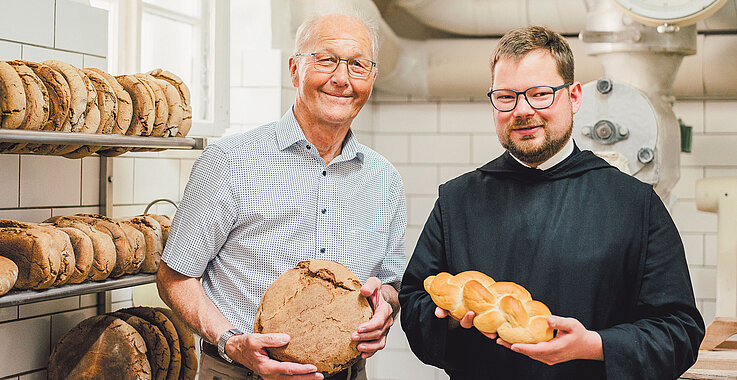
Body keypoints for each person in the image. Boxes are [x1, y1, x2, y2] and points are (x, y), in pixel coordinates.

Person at [398, 25, 704, 379]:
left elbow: (680, 331)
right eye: (506, 97)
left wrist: (595, 345)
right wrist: (449, 321)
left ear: (574, 97)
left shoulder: (634, 204)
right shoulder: (457, 201)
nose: (522, 110)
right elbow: (415, 302)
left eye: (540, 94)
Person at [157, 13, 406, 380]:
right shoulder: (229, 162)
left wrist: (384, 308)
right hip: (239, 372)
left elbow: (391, 283)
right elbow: (174, 278)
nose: (341, 78)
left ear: (371, 78)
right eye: (326, 60)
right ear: (294, 70)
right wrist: (230, 341)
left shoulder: (384, 180)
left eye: (358, 65)